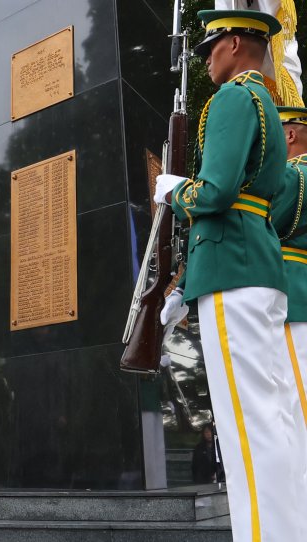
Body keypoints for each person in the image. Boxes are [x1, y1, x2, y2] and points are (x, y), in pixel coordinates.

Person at [154, 10, 300, 540]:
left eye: (212, 46)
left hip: (232, 270)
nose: (207, 57)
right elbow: (266, 194)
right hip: (252, 265)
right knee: (271, 419)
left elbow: (213, 193)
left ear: (235, 42)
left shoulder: (235, 98)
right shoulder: (264, 103)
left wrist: (173, 190)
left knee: (248, 427)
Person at [271, 105, 307, 492]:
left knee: (298, 408)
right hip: (297, 293)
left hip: (295, 298)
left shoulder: (297, 175)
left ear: (291, 135)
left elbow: (264, 223)